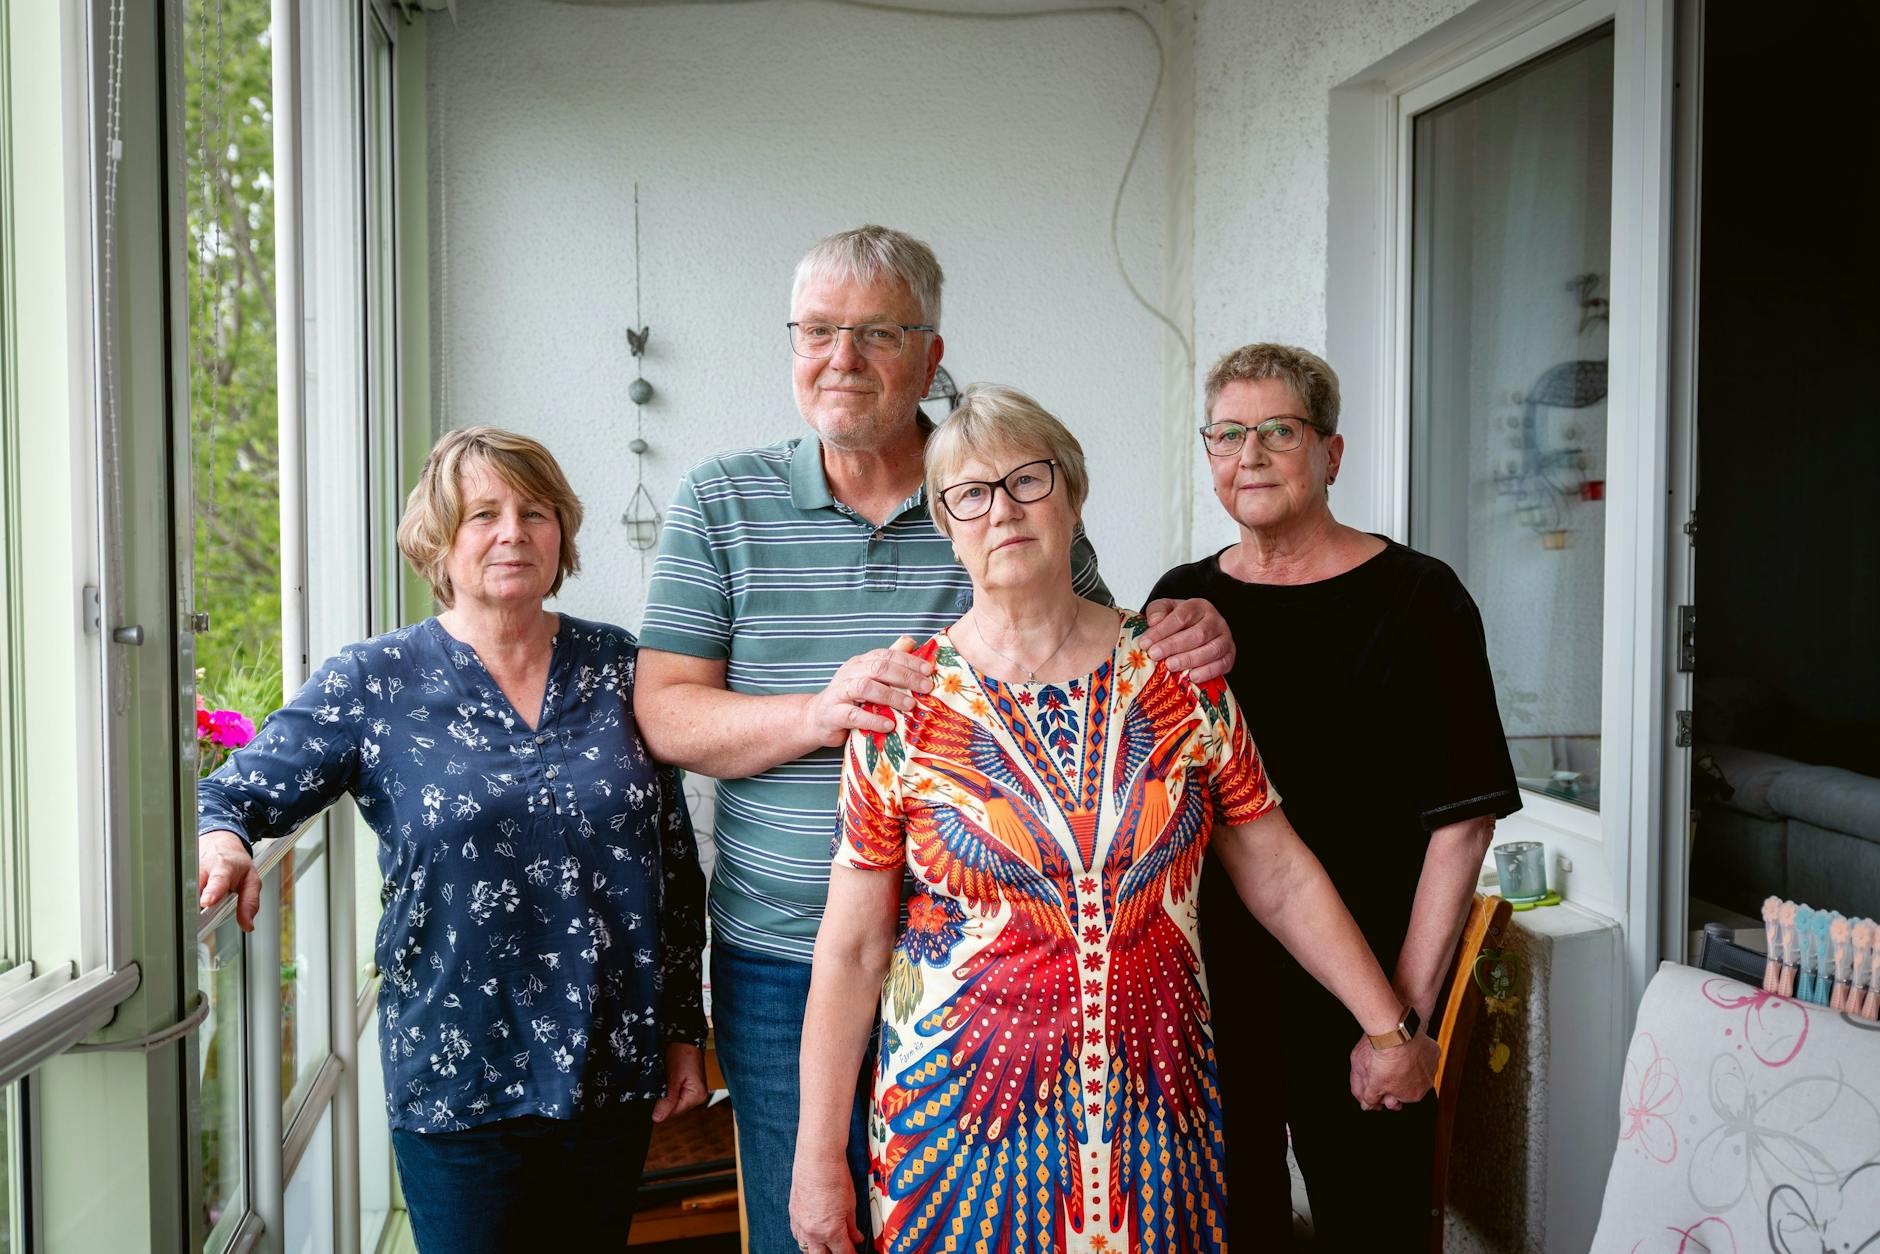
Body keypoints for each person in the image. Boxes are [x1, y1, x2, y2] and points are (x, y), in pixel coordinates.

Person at [634, 225, 1237, 1252]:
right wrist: (816, 716)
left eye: (874, 333)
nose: (840, 358)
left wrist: (1185, 629)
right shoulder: (717, 500)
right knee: (811, 1226)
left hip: (1000, 969)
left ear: (931, 354)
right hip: (785, 956)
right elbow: (666, 713)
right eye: (816, 331)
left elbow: (1093, 652)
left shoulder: (996, 487)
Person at [788, 384, 1433, 1254]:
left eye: (1028, 479)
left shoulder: (1178, 676)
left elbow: (1278, 871)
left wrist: (1387, 1024)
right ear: (945, 522)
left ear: (1075, 495)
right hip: (956, 1140)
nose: (1002, 510)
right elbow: (854, 948)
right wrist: (816, 1157)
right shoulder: (901, 701)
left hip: (1158, 1128)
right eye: (969, 494)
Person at [196, 427, 708, 1252]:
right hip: (456, 1077)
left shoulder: (622, 668)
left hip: (609, 1069)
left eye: (534, 512)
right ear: (437, 539)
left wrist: (686, 1030)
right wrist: (222, 840)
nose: (513, 532)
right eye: (482, 514)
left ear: (562, 534)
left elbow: (675, 867)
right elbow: (229, 790)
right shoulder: (373, 680)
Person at [1148, 343, 1522, 1250]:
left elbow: (1462, 825)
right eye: (1228, 435)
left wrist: (1400, 1022)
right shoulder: (1182, 604)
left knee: (1374, 1232)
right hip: (1210, 1001)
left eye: (1280, 431)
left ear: (1332, 454)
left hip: (1362, 992)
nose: (1252, 456)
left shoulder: (1420, 599)